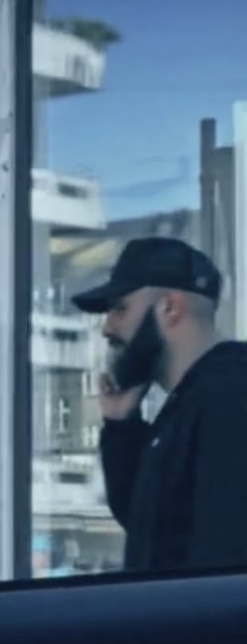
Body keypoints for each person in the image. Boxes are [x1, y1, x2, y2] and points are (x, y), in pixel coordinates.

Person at [72, 236, 247, 572]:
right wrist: (122, 425)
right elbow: (153, 529)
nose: (107, 327)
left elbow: (221, 572)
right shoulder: (187, 405)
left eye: (120, 308)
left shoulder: (227, 404)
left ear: (170, 308)